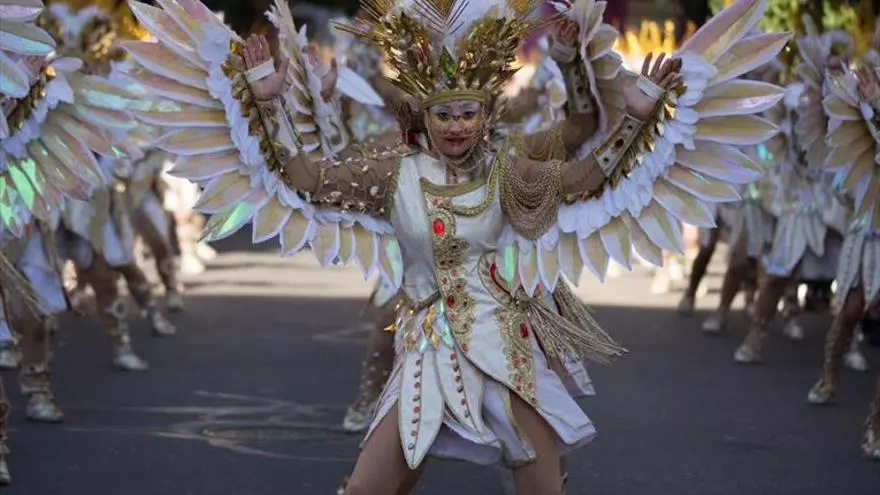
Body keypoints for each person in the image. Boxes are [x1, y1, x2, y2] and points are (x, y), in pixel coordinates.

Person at [126, 0, 786, 491]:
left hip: (506, 350)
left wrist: (632, 121)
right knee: (366, 489)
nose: (456, 126)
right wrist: (267, 104)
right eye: (443, 113)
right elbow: (307, 180)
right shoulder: (393, 172)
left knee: (541, 485)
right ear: (424, 118)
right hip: (425, 355)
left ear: (490, 116)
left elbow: (585, 175)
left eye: (469, 112)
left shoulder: (513, 170)